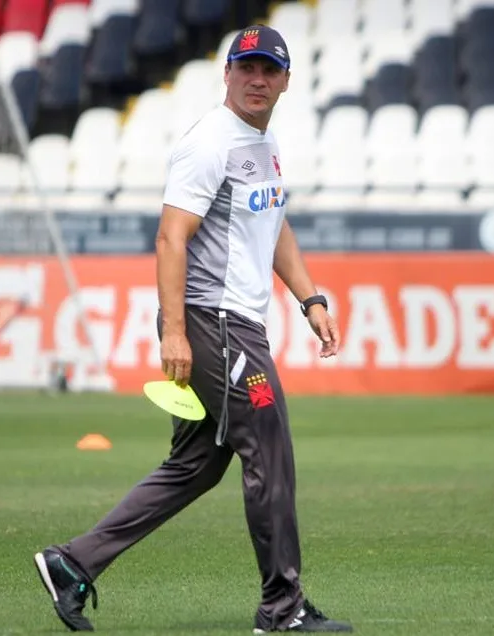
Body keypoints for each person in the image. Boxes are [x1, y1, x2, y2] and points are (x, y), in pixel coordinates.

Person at [33, 24, 353, 634]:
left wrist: (310, 298)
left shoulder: (264, 143)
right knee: (270, 451)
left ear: (287, 80)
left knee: (198, 464)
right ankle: (282, 610)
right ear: (226, 74)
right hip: (217, 325)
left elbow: (274, 224)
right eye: (247, 68)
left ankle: (72, 564)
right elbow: (170, 237)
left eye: (270, 70)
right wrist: (174, 333)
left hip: (228, 323)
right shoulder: (209, 143)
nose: (258, 80)